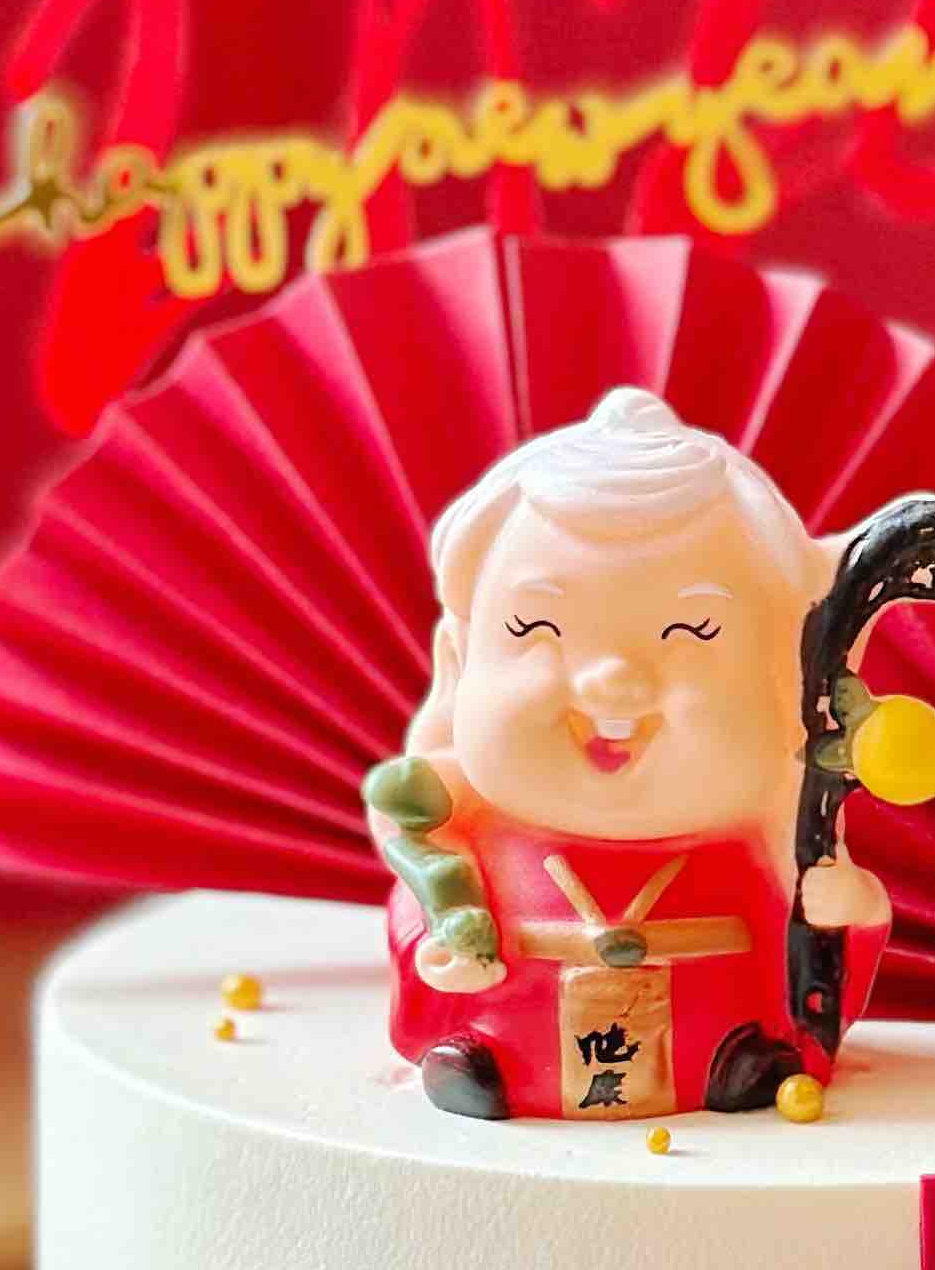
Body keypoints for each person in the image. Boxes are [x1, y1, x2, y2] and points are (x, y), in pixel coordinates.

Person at [365, 388, 893, 1121]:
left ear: (782, 679)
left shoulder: (769, 840)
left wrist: (842, 908)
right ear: (457, 662)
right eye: (536, 628)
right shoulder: (457, 828)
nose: (611, 685)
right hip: (513, 1025)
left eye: (693, 634)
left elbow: (822, 941)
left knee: (754, 1044)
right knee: (475, 1033)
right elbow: (420, 899)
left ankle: (742, 1056)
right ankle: (481, 1054)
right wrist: (442, 942)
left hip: (716, 1028)